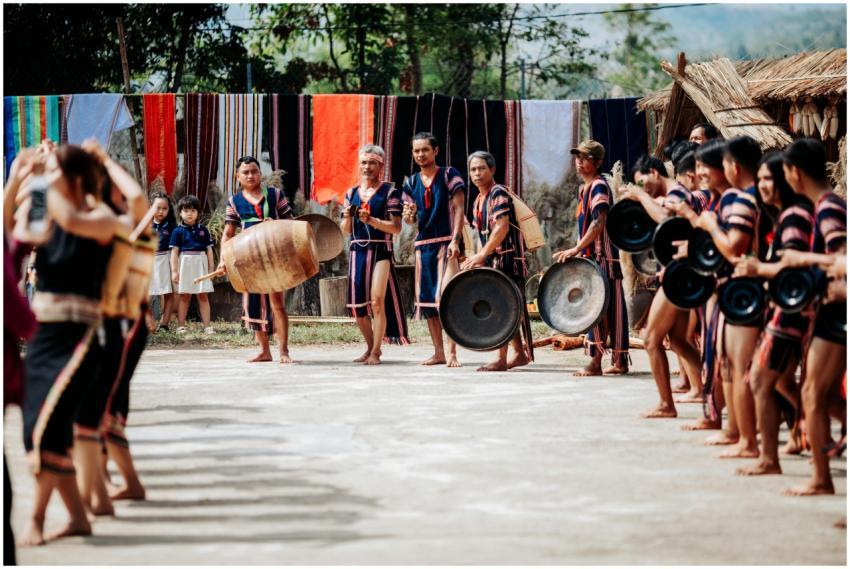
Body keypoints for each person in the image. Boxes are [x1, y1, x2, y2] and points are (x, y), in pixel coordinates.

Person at [13, 141, 141, 546]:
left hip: (82, 338)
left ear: (72, 178)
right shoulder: (47, 214)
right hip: (43, 337)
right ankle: (77, 517)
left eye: (55, 172)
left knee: (47, 425)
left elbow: (68, 216)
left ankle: (36, 516)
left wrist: (39, 180)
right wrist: (19, 178)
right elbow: (16, 231)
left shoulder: (100, 217)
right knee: (37, 430)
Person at [731, 152, 813, 475]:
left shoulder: (793, 216)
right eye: (761, 178)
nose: (763, 185)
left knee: (761, 381)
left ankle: (769, 458)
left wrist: (758, 268)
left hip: (791, 313)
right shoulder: (786, 215)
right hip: (788, 311)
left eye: (769, 178)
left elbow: (794, 263)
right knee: (787, 385)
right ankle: (799, 433)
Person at [778, 139, 846, 496]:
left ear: (794, 172)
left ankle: (821, 479)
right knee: (825, 396)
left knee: (813, 395)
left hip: (836, 314)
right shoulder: (826, 205)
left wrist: (802, 260)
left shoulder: (829, 208)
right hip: (829, 312)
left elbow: (843, 260)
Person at [619, 154, 704, 417]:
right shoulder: (667, 194)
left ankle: (667, 405)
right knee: (679, 340)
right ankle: (709, 389)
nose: (642, 187)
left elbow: (667, 216)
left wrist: (642, 198)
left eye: (643, 181)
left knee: (651, 339)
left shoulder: (677, 191)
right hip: (677, 274)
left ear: (655, 173)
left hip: (679, 274)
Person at [668, 139, 733, 438]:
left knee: (733, 364)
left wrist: (695, 219)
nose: (700, 173)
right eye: (698, 167)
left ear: (729, 167)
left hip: (731, 289)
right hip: (715, 287)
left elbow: (733, 249)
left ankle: (737, 430)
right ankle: (715, 417)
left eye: (706, 166)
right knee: (714, 355)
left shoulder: (733, 202)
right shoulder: (719, 201)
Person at [553, 140, 629, 376]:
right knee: (602, 309)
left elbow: (599, 222)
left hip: (603, 257)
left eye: (585, 158)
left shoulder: (598, 186)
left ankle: (598, 362)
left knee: (598, 310)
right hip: (593, 258)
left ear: (597, 163)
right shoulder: (583, 189)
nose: (579, 161)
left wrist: (576, 249)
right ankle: (617, 361)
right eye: (577, 157)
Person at [460, 150, 533, 371]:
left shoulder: (498, 193)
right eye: (473, 169)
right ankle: (519, 353)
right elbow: (480, 234)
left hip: (508, 259)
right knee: (509, 308)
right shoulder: (478, 200)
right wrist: (478, 256)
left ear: (492, 169)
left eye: (481, 168)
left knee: (503, 308)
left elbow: (501, 228)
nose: (477, 173)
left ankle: (501, 359)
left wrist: (482, 255)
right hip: (494, 260)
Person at [220, 156, 295, 363]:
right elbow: (228, 233)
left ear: (260, 174)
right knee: (252, 305)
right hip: (248, 259)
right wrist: (222, 260)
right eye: (245, 172)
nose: (250, 175)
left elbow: (292, 224)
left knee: (277, 304)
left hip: (274, 257)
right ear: (238, 176)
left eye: (254, 171)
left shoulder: (275, 195)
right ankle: (264, 351)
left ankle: (284, 351)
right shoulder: (234, 201)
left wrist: (276, 223)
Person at [341, 144, 410, 364]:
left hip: (381, 249)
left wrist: (371, 220)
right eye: (363, 162)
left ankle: (376, 350)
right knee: (358, 307)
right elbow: (345, 230)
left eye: (372, 163)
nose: (367, 167)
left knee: (377, 301)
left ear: (381, 166)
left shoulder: (390, 192)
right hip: (357, 251)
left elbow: (396, 228)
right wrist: (348, 216)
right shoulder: (350, 193)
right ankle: (371, 347)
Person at [401, 133, 466, 367]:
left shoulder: (449, 175)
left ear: (435, 151)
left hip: (447, 242)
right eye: (416, 151)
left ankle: (453, 353)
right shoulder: (410, 183)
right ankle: (438, 352)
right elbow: (410, 219)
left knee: (446, 297)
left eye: (425, 150)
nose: (420, 154)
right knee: (428, 301)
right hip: (423, 246)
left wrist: (456, 241)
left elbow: (459, 209)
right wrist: (408, 217)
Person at [170, 195, 215, 335]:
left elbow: (209, 250)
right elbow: (174, 252)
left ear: (198, 212)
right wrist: (174, 271)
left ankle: (207, 326)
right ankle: (181, 326)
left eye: (193, 210)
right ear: (180, 212)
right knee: (185, 296)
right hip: (185, 264)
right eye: (186, 210)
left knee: (203, 295)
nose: (190, 213)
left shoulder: (203, 230)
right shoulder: (177, 231)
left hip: (200, 264)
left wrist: (211, 267)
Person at [148, 191, 176, 331]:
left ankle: (164, 324)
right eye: (157, 208)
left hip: (166, 260)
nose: (161, 211)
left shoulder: (172, 227)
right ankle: (150, 323)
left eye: (164, 208)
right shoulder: (145, 225)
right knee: (146, 293)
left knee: (168, 292)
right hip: (149, 260)